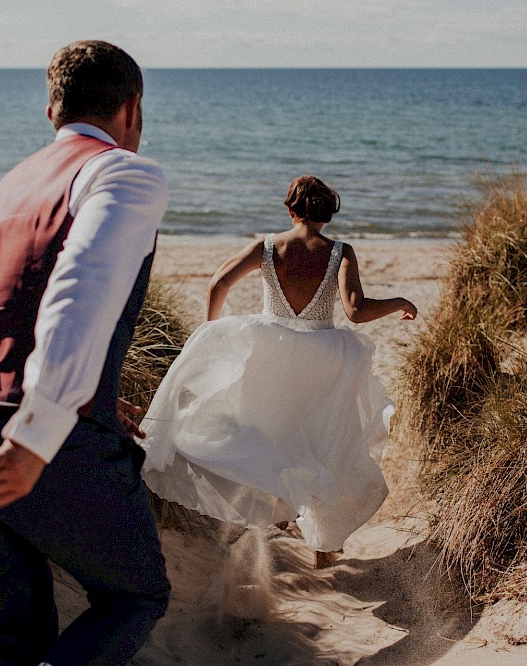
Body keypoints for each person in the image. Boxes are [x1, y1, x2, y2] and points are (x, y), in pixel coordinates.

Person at [0, 40, 170, 665]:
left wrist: (102, 390)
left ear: (51, 112)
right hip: (38, 435)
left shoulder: (1, 194)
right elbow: (77, 292)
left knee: (13, 637)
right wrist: (40, 430)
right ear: (132, 109)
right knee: (134, 594)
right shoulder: (124, 172)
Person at [140, 175, 417, 569]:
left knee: (268, 437)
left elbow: (219, 282)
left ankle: (278, 519)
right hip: (322, 359)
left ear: (290, 210)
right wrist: (398, 301)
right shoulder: (340, 251)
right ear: (327, 215)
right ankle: (323, 549)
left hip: (271, 351)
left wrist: (211, 328)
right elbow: (355, 310)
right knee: (322, 444)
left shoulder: (269, 246)